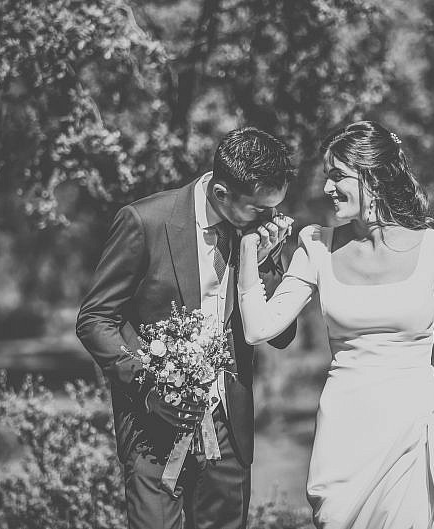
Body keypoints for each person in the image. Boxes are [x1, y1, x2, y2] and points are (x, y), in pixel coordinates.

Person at [237, 121, 434, 528]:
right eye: (326, 176)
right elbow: (258, 329)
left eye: (338, 176)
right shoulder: (316, 245)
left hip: (413, 428)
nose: (327, 188)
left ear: (374, 177)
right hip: (344, 432)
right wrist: (250, 253)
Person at [76, 127, 297, 529]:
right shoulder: (145, 221)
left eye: (274, 208)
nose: (272, 219)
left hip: (228, 428)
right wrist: (148, 387)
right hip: (154, 424)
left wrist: (264, 263)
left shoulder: (258, 235)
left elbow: (281, 335)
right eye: (260, 209)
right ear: (221, 193)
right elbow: (95, 319)